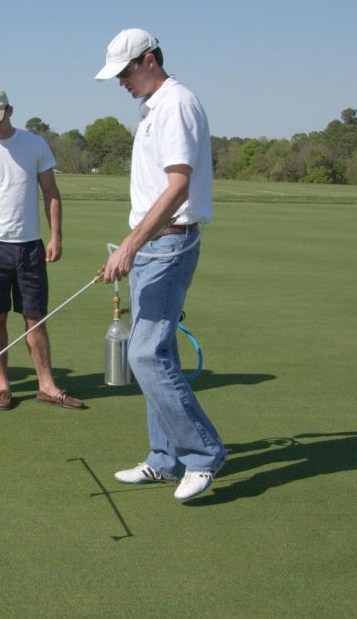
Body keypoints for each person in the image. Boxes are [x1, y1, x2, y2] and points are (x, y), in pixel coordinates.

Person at [95, 28, 225, 501]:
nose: (121, 82)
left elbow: (178, 187)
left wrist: (129, 245)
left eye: (125, 72)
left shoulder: (176, 105)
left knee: (144, 354)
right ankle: (164, 458)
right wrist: (135, 245)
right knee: (158, 353)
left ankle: (203, 454)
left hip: (168, 245)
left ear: (149, 60)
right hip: (153, 247)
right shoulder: (154, 109)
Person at [0, 87, 85, 413]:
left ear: (9, 110)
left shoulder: (34, 145)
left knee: (35, 318)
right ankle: (2, 385)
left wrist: (56, 237)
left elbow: (51, 193)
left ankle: (47, 386)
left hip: (29, 246)